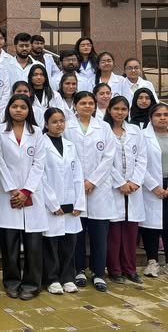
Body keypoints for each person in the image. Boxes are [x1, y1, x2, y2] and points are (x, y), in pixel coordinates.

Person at [0, 94, 47, 300]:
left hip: (31, 192)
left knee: (33, 244)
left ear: (29, 110)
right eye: (14, 106)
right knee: (10, 243)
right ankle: (12, 282)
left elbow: (39, 163)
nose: (18, 110)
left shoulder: (37, 132)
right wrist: (13, 189)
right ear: (8, 108)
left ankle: (32, 284)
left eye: (23, 107)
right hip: (8, 192)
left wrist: (26, 191)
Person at [64, 91, 116, 292]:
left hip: (99, 189)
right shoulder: (67, 127)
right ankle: (78, 270)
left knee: (99, 234)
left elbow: (109, 157)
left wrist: (92, 181)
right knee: (76, 232)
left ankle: (98, 273)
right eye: (83, 103)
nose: (87, 106)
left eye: (90, 103)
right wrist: (79, 183)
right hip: (74, 186)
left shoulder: (104, 127)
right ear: (75, 106)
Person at [41, 108, 85, 295]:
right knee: (51, 243)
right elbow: (41, 176)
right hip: (51, 204)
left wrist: (79, 202)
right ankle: (52, 278)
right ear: (46, 124)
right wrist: (52, 203)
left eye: (61, 121)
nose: (59, 125)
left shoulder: (70, 145)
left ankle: (67, 277)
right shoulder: (42, 144)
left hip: (70, 201)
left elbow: (78, 175)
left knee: (69, 242)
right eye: (54, 121)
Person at [105, 96, 147, 284]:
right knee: (114, 233)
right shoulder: (104, 130)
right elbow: (105, 160)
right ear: (109, 110)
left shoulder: (135, 131)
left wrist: (135, 181)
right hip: (113, 188)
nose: (120, 112)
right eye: (116, 109)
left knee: (131, 232)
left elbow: (142, 157)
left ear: (128, 111)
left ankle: (130, 269)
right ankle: (115, 269)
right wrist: (120, 182)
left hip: (133, 188)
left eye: (123, 109)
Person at [140, 103, 168, 278]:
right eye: (158, 115)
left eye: (166, 114)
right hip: (150, 185)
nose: (163, 118)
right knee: (151, 225)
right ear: (150, 118)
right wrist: (154, 186)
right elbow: (139, 163)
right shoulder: (143, 136)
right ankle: (152, 261)